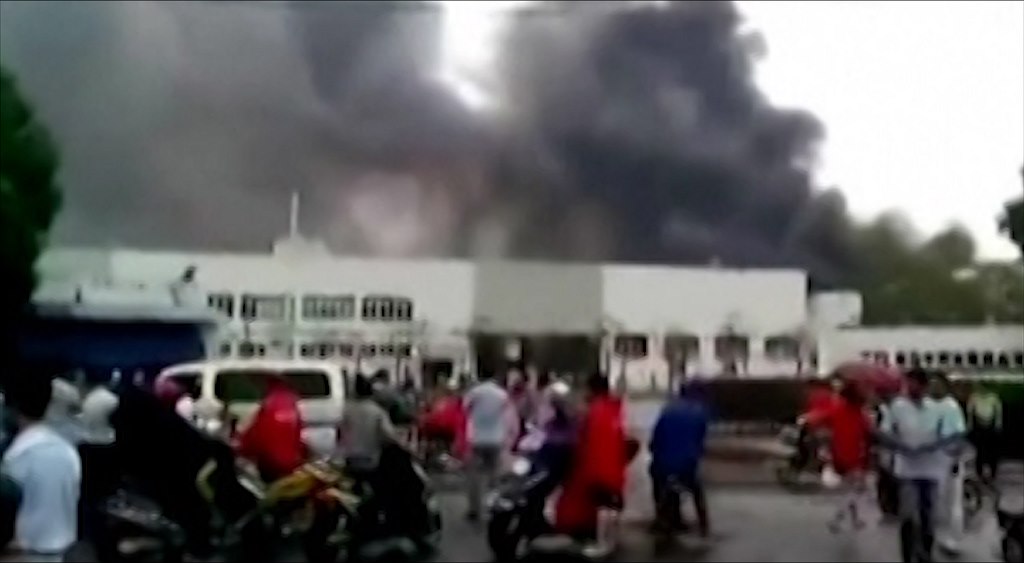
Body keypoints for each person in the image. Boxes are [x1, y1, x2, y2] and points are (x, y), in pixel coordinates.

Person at [879, 368, 960, 563]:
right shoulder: (898, 406)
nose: (909, 388)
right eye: (908, 384)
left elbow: (952, 435)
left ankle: (926, 552)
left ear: (923, 386)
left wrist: (930, 446)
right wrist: (899, 445)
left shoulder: (939, 407)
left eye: (914, 384)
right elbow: (885, 432)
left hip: (932, 469)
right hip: (906, 469)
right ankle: (907, 555)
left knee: (927, 514)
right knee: (908, 513)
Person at [0, 376, 81, 559]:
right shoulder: (66, 449)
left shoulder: (19, 456)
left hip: (23, 552)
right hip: (61, 549)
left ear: (13, 408)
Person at [555, 373, 628, 557]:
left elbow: (584, 441)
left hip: (597, 466)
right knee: (612, 505)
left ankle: (602, 545)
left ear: (591, 389)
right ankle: (612, 541)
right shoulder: (614, 408)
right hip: (615, 466)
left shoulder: (593, 411)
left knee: (603, 507)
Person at [648, 378, 712, 539]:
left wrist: (656, 452)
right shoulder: (700, 412)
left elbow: (655, 440)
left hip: (663, 464)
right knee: (695, 488)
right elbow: (699, 442)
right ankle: (703, 523)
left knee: (658, 480)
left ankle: (662, 516)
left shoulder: (668, 410)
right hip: (687, 465)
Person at [807, 379, 873, 533]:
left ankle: (855, 520)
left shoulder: (837, 410)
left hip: (838, 454)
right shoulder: (861, 414)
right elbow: (869, 431)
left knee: (849, 488)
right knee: (853, 490)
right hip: (856, 455)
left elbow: (817, 420)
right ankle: (837, 520)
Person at [463, 370, 516, 521]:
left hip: (477, 438)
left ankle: (474, 509)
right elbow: (507, 412)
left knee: (474, 476)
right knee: (494, 475)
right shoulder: (502, 394)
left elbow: (465, 408)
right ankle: (493, 506)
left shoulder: (474, 392)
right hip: (496, 438)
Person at [236, 374, 307, 484]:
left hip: (270, 462)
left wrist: (243, 447)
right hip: (288, 461)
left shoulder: (271, 403)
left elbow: (257, 433)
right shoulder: (290, 402)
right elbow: (298, 431)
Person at [928, 371, 967, 555]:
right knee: (937, 502)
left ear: (945, 386)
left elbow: (959, 435)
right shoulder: (928, 405)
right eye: (931, 384)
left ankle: (954, 541)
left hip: (948, 458)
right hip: (932, 461)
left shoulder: (951, 406)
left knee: (953, 503)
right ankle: (938, 537)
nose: (934, 387)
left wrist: (955, 460)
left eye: (937, 384)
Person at [338, 375, 402, 476]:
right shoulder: (377, 411)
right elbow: (389, 435)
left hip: (350, 459)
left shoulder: (347, 410)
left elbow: (341, 433)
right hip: (370, 459)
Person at [966, 382, 1002, 483]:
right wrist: (970, 425)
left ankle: (993, 473)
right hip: (978, 426)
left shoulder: (993, 397)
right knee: (979, 451)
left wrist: (998, 425)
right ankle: (979, 473)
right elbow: (970, 412)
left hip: (991, 426)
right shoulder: (974, 397)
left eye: (983, 387)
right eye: (979, 387)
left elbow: (998, 412)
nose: (981, 389)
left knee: (992, 451)